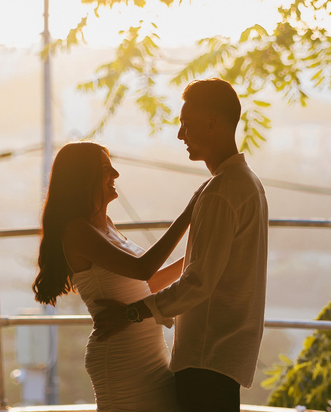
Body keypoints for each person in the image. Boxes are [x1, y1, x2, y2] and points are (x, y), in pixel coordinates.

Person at [94, 78, 269, 412]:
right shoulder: (247, 183)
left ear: (212, 124)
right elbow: (203, 264)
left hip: (207, 354)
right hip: (224, 352)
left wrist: (132, 313)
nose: (180, 135)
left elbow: (199, 281)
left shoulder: (220, 191)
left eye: (185, 125)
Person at [32, 141, 204, 412]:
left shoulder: (107, 225)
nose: (115, 174)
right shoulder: (78, 230)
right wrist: (188, 214)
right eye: (105, 168)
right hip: (121, 359)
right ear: (83, 177)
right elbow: (142, 268)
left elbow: (146, 284)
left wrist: (197, 257)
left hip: (149, 356)